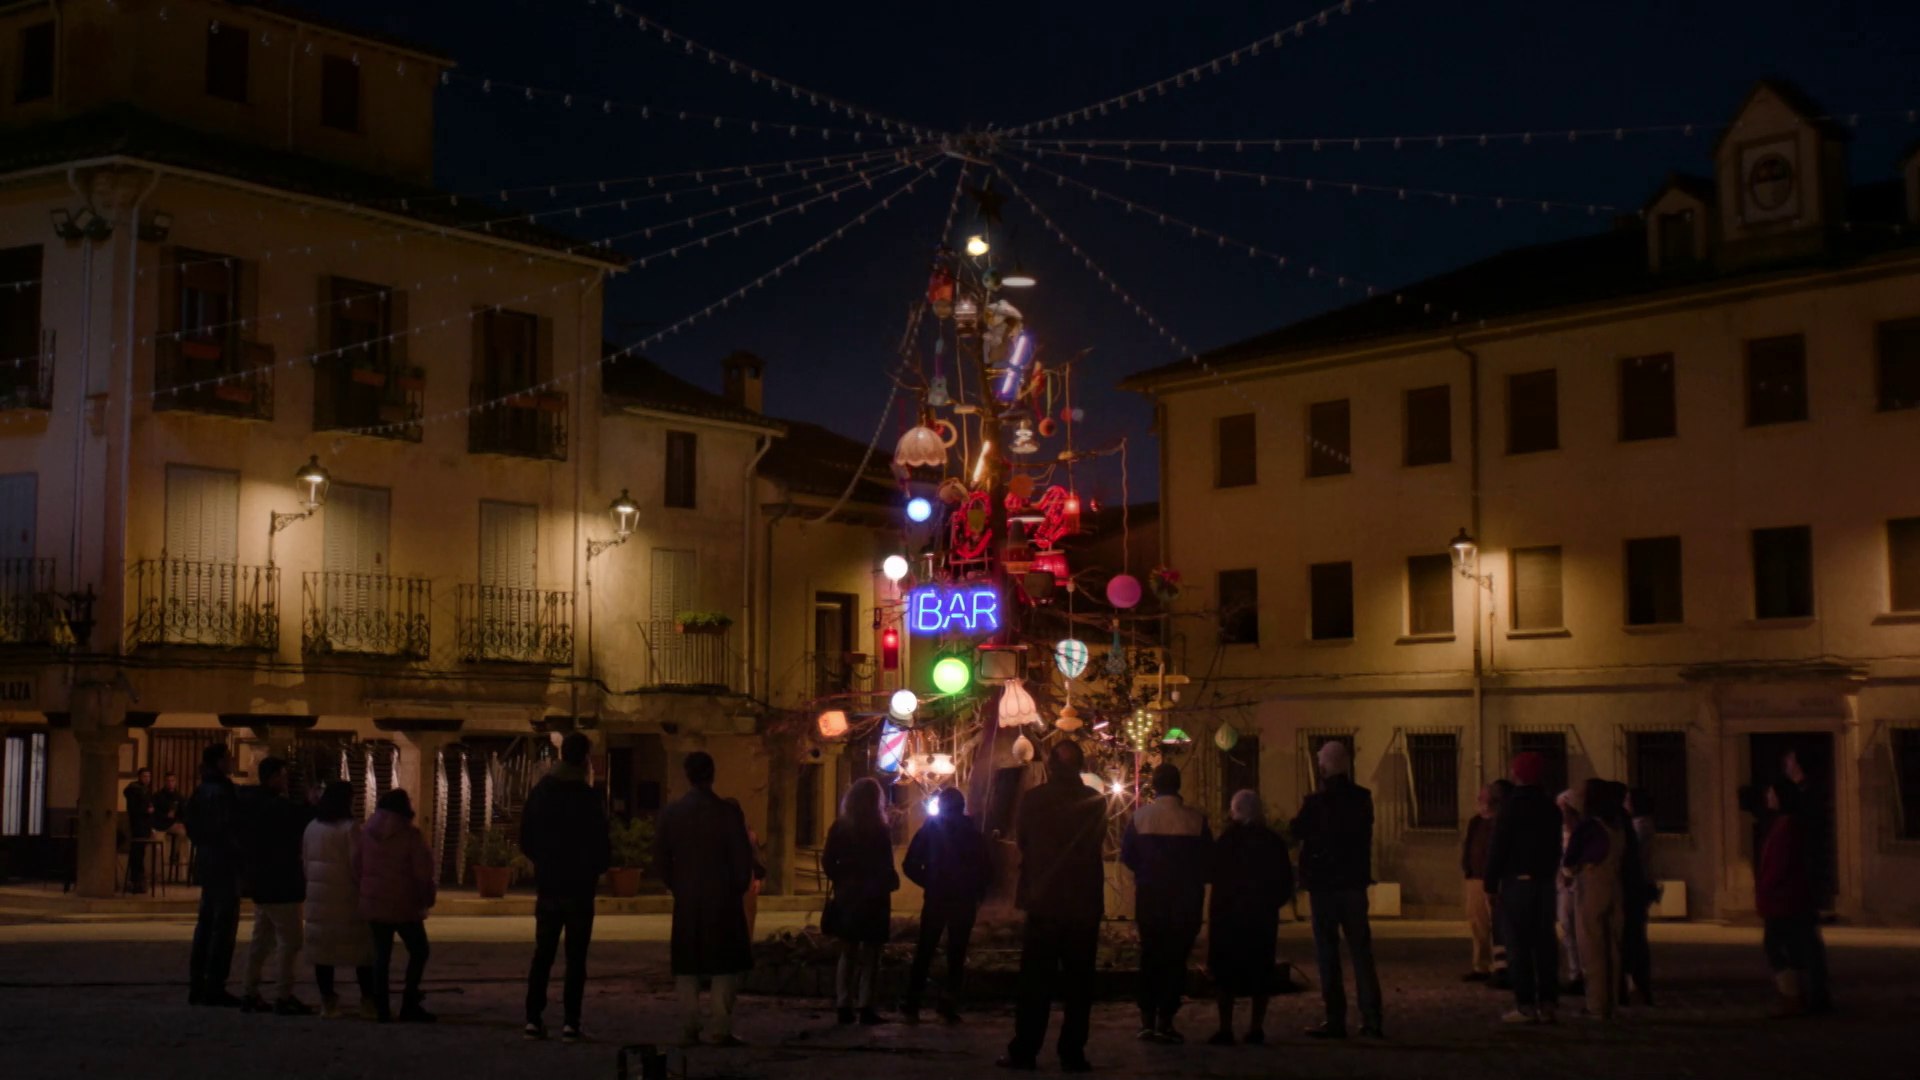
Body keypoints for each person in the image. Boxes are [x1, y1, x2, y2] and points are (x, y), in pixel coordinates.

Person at [1000, 740, 1106, 1073]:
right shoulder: (1096, 802)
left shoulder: (1034, 800)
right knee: (1079, 985)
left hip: (1044, 901)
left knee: (1035, 983)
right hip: (1083, 904)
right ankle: (1072, 1052)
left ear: (1050, 766)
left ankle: (1026, 1049)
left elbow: (1024, 841)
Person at [654, 751, 756, 1047]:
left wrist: (678, 885)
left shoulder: (672, 813)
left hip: (688, 898)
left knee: (687, 965)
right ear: (712, 774)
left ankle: (690, 1025)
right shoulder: (727, 812)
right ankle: (720, 1027)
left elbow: (661, 858)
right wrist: (736, 887)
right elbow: (742, 857)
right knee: (724, 965)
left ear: (687, 775)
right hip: (722, 897)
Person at [519, 732, 611, 1042]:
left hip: (549, 884)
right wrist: (594, 869)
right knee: (576, 957)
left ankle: (533, 1018)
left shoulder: (541, 792)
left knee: (542, 954)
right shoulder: (588, 797)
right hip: (579, 887)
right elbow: (601, 844)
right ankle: (571, 1022)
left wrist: (544, 862)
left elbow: (526, 838)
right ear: (584, 758)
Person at [1293, 739, 1383, 1040]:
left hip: (1324, 885)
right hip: (1354, 883)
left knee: (1328, 952)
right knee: (1361, 952)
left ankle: (1335, 1018)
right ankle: (1372, 1018)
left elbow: (1296, 831)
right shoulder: (1362, 798)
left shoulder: (1316, 802)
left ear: (1322, 767)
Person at [1120, 762, 1211, 1043]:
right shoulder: (1196, 821)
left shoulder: (1140, 818)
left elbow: (1128, 856)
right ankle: (1166, 1020)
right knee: (1175, 961)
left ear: (1154, 786)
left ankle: (1146, 1019)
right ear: (1178, 784)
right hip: (1185, 902)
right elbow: (1207, 863)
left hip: (1151, 899)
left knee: (1150, 957)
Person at [1205, 789, 1293, 1047]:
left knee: (1225, 973)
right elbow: (1285, 880)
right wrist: (1272, 903)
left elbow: (1213, 872)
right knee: (1260, 971)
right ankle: (1256, 1027)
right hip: (1261, 916)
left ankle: (1225, 1027)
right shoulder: (1272, 842)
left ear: (1235, 811)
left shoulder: (1227, 841)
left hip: (1228, 917)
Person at [1486, 751, 1564, 1024]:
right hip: (1543, 883)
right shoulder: (1551, 808)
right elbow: (1556, 847)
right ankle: (1549, 1002)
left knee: (1517, 945)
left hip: (1516, 882)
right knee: (1545, 943)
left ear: (1518, 773)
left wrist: (1490, 883)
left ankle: (1526, 1004)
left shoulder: (1511, 807)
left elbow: (1498, 847)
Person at [902, 785, 990, 1023]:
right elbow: (984, 868)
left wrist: (929, 881)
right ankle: (948, 1004)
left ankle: (913, 1002)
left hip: (937, 897)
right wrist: (976, 891)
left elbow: (909, 864)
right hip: (963, 899)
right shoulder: (971, 832)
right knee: (957, 952)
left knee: (925, 949)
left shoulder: (931, 830)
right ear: (962, 807)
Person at [823, 776, 900, 1026]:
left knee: (848, 952)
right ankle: (866, 1005)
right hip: (874, 898)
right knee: (872, 954)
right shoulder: (880, 830)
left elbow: (828, 862)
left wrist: (842, 879)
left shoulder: (840, 828)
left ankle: (843, 1004)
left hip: (849, 897)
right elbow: (886, 864)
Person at [240, 757, 314, 1015]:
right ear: (273, 777)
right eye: (282, 775)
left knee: (261, 941)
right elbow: (302, 821)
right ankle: (283, 994)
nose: (285, 781)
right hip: (282, 883)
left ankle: (249, 991)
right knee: (290, 941)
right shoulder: (278, 808)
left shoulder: (250, 805)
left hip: (260, 881)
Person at [356, 788, 437, 1023]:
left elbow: (356, 865)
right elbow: (422, 872)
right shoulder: (410, 835)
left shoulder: (366, 832)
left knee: (381, 955)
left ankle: (381, 1006)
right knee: (419, 950)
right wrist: (426, 897)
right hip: (405, 903)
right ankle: (409, 1001)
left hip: (374, 902)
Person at [1757, 777, 1829, 1018]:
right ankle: (1799, 996)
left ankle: (1792, 997)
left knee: (1775, 946)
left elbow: (1779, 865)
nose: (1768, 797)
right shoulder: (1784, 823)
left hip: (1783, 900)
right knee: (1794, 948)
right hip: (1787, 898)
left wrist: (1766, 890)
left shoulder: (1787, 826)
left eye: (1772, 793)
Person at [303, 780, 375, 1020]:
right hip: (346, 897)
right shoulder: (350, 828)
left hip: (318, 897)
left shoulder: (312, 827)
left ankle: (328, 1002)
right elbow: (357, 865)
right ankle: (368, 1001)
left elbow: (305, 861)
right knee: (361, 951)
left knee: (323, 953)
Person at [186, 743, 244, 1006]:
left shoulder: (200, 790)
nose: (232, 762)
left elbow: (191, 824)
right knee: (223, 925)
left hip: (207, 860)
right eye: (229, 758)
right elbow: (231, 827)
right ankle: (214, 984)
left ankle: (197, 982)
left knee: (206, 923)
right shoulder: (223, 791)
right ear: (220, 762)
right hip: (224, 862)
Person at [1562, 779, 1625, 1020]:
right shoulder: (1617, 826)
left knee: (1592, 947)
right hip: (1616, 887)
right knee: (1613, 948)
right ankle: (1611, 1002)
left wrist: (1569, 873)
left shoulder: (1590, 827)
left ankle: (1597, 1005)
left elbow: (1571, 861)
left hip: (1592, 887)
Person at [1780, 750, 1833, 1014]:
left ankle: (1811, 995)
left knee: (1804, 937)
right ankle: (1808, 993)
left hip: (1803, 876)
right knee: (1803, 936)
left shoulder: (1807, 795)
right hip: (1804, 875)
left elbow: (1810, 837)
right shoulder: (1803, 792)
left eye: (1789, 760)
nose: (1785, 764)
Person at [1621, 786, 1658, 1006]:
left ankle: (1638, 985)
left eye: (1627, 800)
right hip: (1642, 884)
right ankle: (1638, 984)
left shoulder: (1639, 827)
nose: (1625, 804)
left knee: (1633, 937)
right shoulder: (1646, 825)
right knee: (1636, 937)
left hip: (1636, 886)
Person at [1461, 784, 1497, 982]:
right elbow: (1469, 845)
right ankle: (1480, 965)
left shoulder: (1499, 822)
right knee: (1477, 922)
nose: (1479, 801)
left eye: (1483, 797)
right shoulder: (1475, 822)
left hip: (1491, 878)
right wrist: (1467, 867)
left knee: (1495, 922)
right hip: (1475, 877)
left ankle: (1496, 965)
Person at [1555, 788, 1585, 996]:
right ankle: (1576, 972)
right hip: (1564, 887)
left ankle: (1585, 973)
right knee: (1568, 929)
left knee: (1582, 930)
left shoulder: (1583, 832)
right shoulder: (1561, 833)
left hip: (1580, 886)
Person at [122, 767, 154, 893]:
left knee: (140, 854)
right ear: (139, 777)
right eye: (145, 776)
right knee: (137, 854)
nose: (147, 779)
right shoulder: (135, 790)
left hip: (144, 826)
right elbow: (134, 809)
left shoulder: (146, 790)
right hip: (137, 825)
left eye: (149, 776)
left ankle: (138, 881)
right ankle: (135, 881)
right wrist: (147, 810)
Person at [152, 772, 187, 883]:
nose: (170, 783)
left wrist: (180, 822)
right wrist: (165, 816)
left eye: (172, 781)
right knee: (158, 847)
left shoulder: (179, 796)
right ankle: (158, 875)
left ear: (175, 782)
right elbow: (154, 813)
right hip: (159, 824)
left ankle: (174, 855)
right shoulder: (158, 796)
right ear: (164, 782)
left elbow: (183, 812)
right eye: (168, 781)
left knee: (183, 833)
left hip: (173, 824)